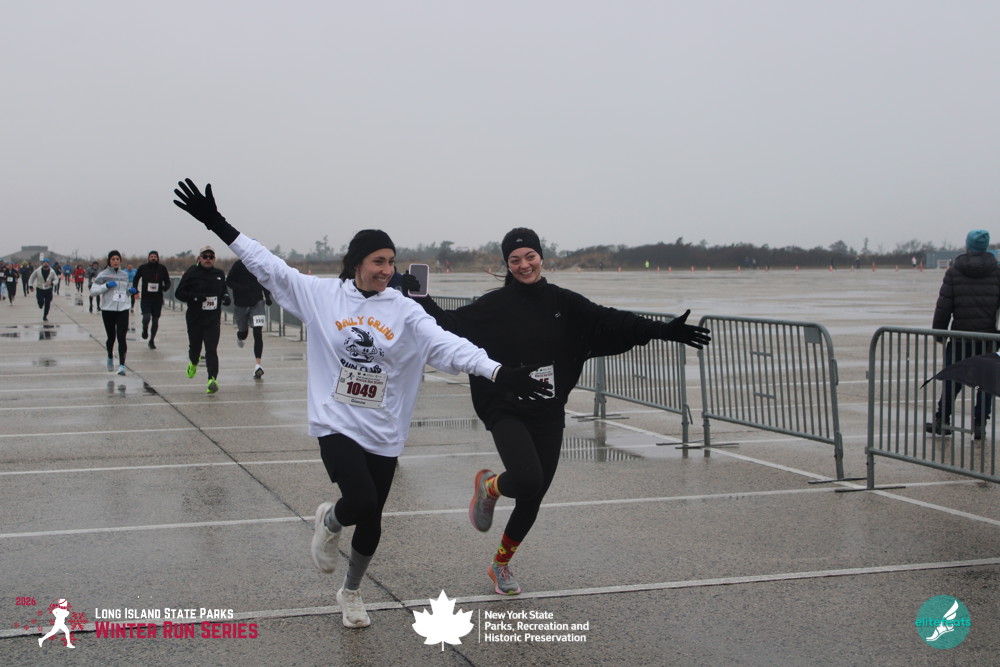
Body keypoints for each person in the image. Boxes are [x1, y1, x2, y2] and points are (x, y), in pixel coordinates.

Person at [172, 178, 550, 629]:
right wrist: (217, 223)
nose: (387, 270)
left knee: (373, 519)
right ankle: (331, 522)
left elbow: (447, 345)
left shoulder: (404, 310)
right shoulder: (321, 296)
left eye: (391, 261)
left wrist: (498, 372)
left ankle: (350, 592)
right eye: (378, 261)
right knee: (362, 499)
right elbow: (267, 265)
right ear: (356, 263)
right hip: (335, 419)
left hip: (383, 428)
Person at [405, 227, 711, 596]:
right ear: (506, 265)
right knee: (527, 479)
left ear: (541, 257)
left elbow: (612, 320)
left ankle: (500, 564)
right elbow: (450, 325)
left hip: (548, 410)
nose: (524, 264)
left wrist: (661, 331)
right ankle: (489, 487)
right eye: (515, 259)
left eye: (529, 256)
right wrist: (419, 297)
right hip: (505, 405)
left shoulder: (564, 302)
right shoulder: (495, 305)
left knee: (532, 496)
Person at [926, 229, 1000, 440]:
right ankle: (979, 424)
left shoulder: (954, 271)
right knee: (986, 382)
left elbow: (944, 306)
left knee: (953, 378)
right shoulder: (997, 271)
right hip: (988, 338)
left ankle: (942, 419)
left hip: (960, 336)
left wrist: (939, 332)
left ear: (968, 246)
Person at [175, 245, 230, 393]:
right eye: (205, 256)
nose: (208, 259)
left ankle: (212, 380)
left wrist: (226, 297)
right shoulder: (192, 273)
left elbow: (223, 289)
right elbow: (179, 293)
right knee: (195, 348)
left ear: (214, 259)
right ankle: (193, 362)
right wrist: (195, 297)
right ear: (199, 258)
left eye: (210, 257)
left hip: (212, 320)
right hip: (195, 319)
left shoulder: (219, 274)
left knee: (211, 349)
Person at [89, 250, 135, 375]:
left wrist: (130, 291)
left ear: (120, 261)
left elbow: (126, 291)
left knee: (122, 337)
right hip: (108, 310)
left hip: (123, 309)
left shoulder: (124, 275)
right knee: (111, 338)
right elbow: (92, 292)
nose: (115, 261)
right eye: (113, 259)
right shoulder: (103, 275)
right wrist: (106, 286)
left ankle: (122, 366)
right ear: (109, 261)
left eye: (117, 259)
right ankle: (110, 354)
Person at [226, 258, 271, 379]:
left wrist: (267, 296)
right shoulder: (238, 265)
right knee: (244, 333)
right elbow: (229, 281)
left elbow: (264, 281)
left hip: (257, 302)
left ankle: (258, 365)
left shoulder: (259, 265)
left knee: (258, 332)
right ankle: (240, 335)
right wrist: (240, 288)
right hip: (241, 303)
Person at [132, 250, 172, 349]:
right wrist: (135, 291)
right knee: (146, 317)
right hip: (146, 298)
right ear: (148, 258)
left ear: (157, 258)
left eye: (155, 256)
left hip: (158, 298)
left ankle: (152, 340)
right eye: (151, 256)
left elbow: (168, 281)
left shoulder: (162, 268)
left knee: (155, 320)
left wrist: (165, 287)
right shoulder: (143, 268)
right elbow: (136, 279)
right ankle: (145, 329)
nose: (153, 258)